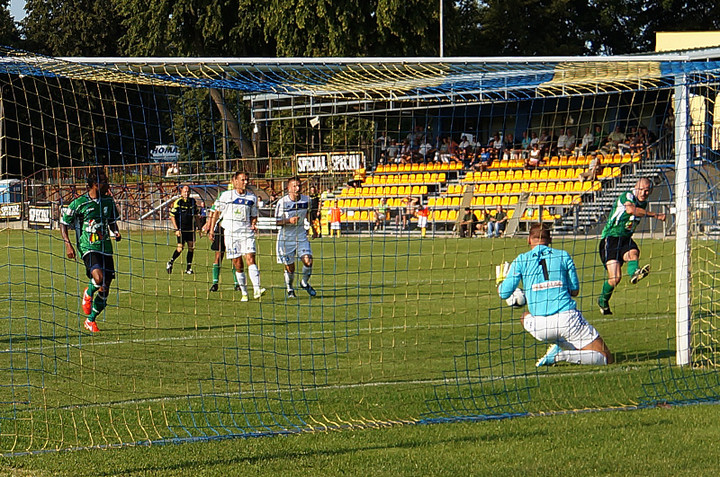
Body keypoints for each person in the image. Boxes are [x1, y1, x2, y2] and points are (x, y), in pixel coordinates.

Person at [497, 223, 613, 367]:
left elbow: (504, 293)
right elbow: (575, 291)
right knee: (606, 358)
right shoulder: (563, 255)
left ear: (528, 240)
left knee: (524, 316)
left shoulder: (521, 259)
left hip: (540, 327)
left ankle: (560, 345)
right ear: (550, 239)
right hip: (568, 320)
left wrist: (500, 282)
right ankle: (562, 355)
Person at [60, 169, 121, 333]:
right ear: (95, 184)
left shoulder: (108, 201)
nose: (108, 184)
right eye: (105, 182)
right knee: (98, 278)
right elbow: (63, 223)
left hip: (106, 248)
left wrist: (115, 231)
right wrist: (68, 244)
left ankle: (90, 320)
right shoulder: (79, 203)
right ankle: (88, 291)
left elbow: (111, 221)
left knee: (105, 288)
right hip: (88, 247)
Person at [597, 178, 666, 315]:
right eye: (641, 189)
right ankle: (603, 300)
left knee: (633, 252)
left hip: (625, 239)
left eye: (647, 190)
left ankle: (634, 272)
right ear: (636, 187)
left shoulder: (643, 203)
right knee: (615, 278)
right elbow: (630, 210)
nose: (644, 192)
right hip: (610, 239)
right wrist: (656, 215)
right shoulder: (627, 196)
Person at [207, 171, 266, 301]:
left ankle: (257, 289)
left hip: (246, 232)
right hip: (230, 233)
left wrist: (254, 224)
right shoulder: (226, 196)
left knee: (250, 258)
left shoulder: (252, 198)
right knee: (238, 264)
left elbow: (253, 215)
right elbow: (216, 213)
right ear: (235, 181)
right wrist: (212, 229)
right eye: (243, 180)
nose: (245, 182)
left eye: (247, 180)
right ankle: (244, 293)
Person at [275, 177, 316, 298]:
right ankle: (290, 289)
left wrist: (313, 228)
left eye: (299, 186)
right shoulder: (282, 202)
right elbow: (277, 221)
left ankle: (304, 283)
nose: (297, 188)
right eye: (294, 186)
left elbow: (309, 214)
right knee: (290, 268)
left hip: (301, 236)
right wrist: (288, 220)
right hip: (285, 238)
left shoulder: (306, 200)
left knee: (308, 261)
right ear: (288, 188)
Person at [202, 186, 239, 292]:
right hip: (221, 229)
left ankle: (237, 283)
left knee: (234, 256)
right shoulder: (223, 196)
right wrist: (210, 227)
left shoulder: (241, 197)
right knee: (218, 256)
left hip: (233, 230)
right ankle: (215, 283)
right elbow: (214, 212)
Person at [166, 185, 198, 275]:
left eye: (188, 191)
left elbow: (196, 215)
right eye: (185, 191)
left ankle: (188, 268)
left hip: (190, 229)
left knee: (191, 248)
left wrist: (199, 227)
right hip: (181, 229)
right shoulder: (178, 202)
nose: (186, 193)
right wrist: (176, 229)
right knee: (180, 248)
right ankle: (170, 262)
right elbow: (172, 216)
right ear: (181, 192)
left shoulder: (192, 202)